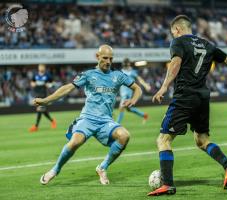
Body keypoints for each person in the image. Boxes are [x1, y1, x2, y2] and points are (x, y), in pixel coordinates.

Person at [148, 15, 227, 196]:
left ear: (177, 29)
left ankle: (167, 184)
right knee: (201, 140)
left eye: (172, 32)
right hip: (202, 97)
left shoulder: (178, 42)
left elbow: (175, 64)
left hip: (184, 96)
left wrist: (164, 86)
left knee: (163, 140)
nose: (173, 35)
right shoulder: (207, 44)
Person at [34, 45, 142, 185]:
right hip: (88, 118)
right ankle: (55, 170)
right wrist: (46, 100)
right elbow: (67, 88)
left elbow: (137, 88)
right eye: (105, 58)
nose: (108, 61)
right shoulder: (88, 75)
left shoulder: (118, 75)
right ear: (97, 57)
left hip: (105, 121)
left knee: (124, 136)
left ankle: (102, 167)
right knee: (75, 142)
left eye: (111, 58)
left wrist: (133, 100)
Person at [117, 58, 151, 124]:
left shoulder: (132, 72)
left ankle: (116, 125)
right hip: (122, 92)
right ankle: (144, 115)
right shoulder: (121, 72)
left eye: (126, 63)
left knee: (121, 107)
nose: (126, 65)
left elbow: (139, 79)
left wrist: (146, 85)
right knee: (128, 109)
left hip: (127, 93)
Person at [29, 64, 56, 132]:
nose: (41, 68)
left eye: (42, 67)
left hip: (44, 94)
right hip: (37, 93)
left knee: (39, 109)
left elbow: (53, 83)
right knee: (42, 110)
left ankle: (36, 126)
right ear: (38, 68)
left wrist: (49, 85)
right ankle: (52, 121)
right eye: (40, 67)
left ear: (44, 68)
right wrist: (33, 84)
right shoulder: (35, 74)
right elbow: (32, 82)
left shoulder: (47, 75)